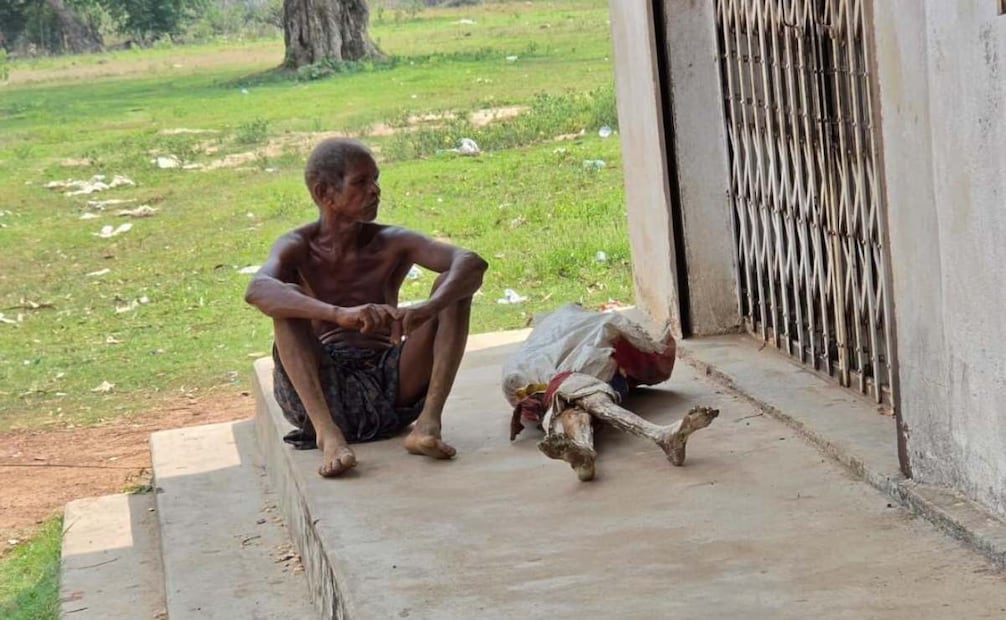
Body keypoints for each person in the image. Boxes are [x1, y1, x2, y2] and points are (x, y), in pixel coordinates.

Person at [245, 138, 488, 478]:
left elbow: (471, 262)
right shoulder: (297, 245)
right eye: (361, 182)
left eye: (376, 179)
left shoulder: (392, 241)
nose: (375, 190)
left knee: (454, 289)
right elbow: (257, 290)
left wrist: (425, 310)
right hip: (322, 390)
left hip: (391, 382)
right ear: (324, 193)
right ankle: (328, 437)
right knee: (285, 307)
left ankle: (428, 425)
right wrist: (337, 314)